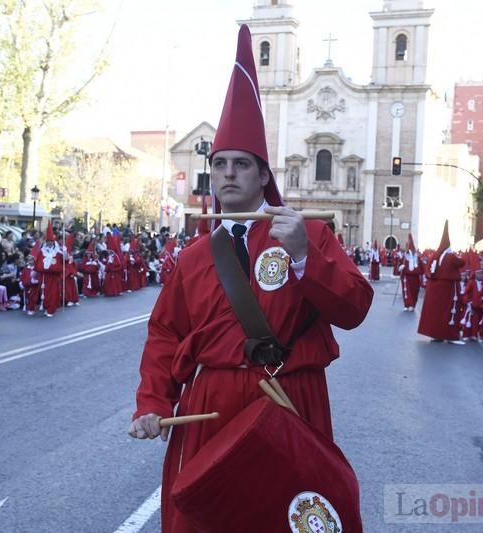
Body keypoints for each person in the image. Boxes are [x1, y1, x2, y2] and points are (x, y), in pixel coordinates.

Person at [128, 25, 372, 532]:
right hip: (210, 406)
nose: (229, 174)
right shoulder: (193, 256)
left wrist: (305, 259)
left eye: (242, 164)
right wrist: (153, 402)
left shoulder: (306, 236)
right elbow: (165, 334)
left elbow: (353, 309)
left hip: (287, 397)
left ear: (265, 175)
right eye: (220, 164)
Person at [418, 221, 465, 343]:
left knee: (436, 311)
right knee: (448, 310)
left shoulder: (434, 255)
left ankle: (436, 334)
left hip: (434, 287)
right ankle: (449, 335)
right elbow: (461, 263)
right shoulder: (450, 256)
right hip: (448, 287)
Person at [34, 222, 64, 317]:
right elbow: (38, 265)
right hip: (44, 277)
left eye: (51, 241)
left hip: (53, 278)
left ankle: (51, 309)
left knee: (53, 293)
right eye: (48, 241)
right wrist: (44, 268)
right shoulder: (42, 252)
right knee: (45, 292)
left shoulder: (58, 253)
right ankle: (46, 307)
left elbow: (60, 266)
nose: (49, 243)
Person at [399, 234, 423, 311]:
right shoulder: (405, 257)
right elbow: (400, 265)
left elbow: (421, 268)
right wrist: (401, 268)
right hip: (407, 277)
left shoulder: (418, 258)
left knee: (414, 292)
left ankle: (412, 305)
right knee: (406, 291)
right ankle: (407, 304)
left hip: (415, 278)